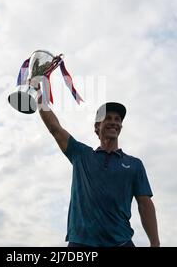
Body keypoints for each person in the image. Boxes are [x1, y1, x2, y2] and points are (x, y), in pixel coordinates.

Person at [37, 93, 160, 247]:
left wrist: (155, 243)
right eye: (108, 118)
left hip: (121, 242)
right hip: (81, 243)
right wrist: (39, 97)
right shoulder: (81, 154)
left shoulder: (134, 164)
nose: (114, 122)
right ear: (97, 126)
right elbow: (55, 128)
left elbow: (145, 203)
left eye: (118, 119)